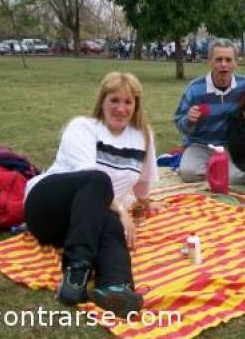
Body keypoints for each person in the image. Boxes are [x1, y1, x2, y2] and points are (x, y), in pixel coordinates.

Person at [24, 72, 161, 318]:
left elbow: (142, 184)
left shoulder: (143, 136)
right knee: (100, 183)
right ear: (102, 101)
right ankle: (75, 276)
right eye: (114, 100)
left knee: (109, 222)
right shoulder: (82, 127)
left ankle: (116, 288)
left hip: (85, 223)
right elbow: (91, 179)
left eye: (128, 102)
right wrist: (122, 212)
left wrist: (145, 204)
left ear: (136, 105)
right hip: (47, 207)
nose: (121, 108)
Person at [174, 38, 245, 184]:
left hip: (230, 146)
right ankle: (216, 171)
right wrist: (189, 120)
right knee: (188, 173)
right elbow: (178, 121)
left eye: (228, 60)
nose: (223, 65)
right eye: (218, 59)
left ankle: (215, 171)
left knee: (239, 177)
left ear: (235, 63)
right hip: (200, 145)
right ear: (209, 62)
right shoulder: (195, 88)